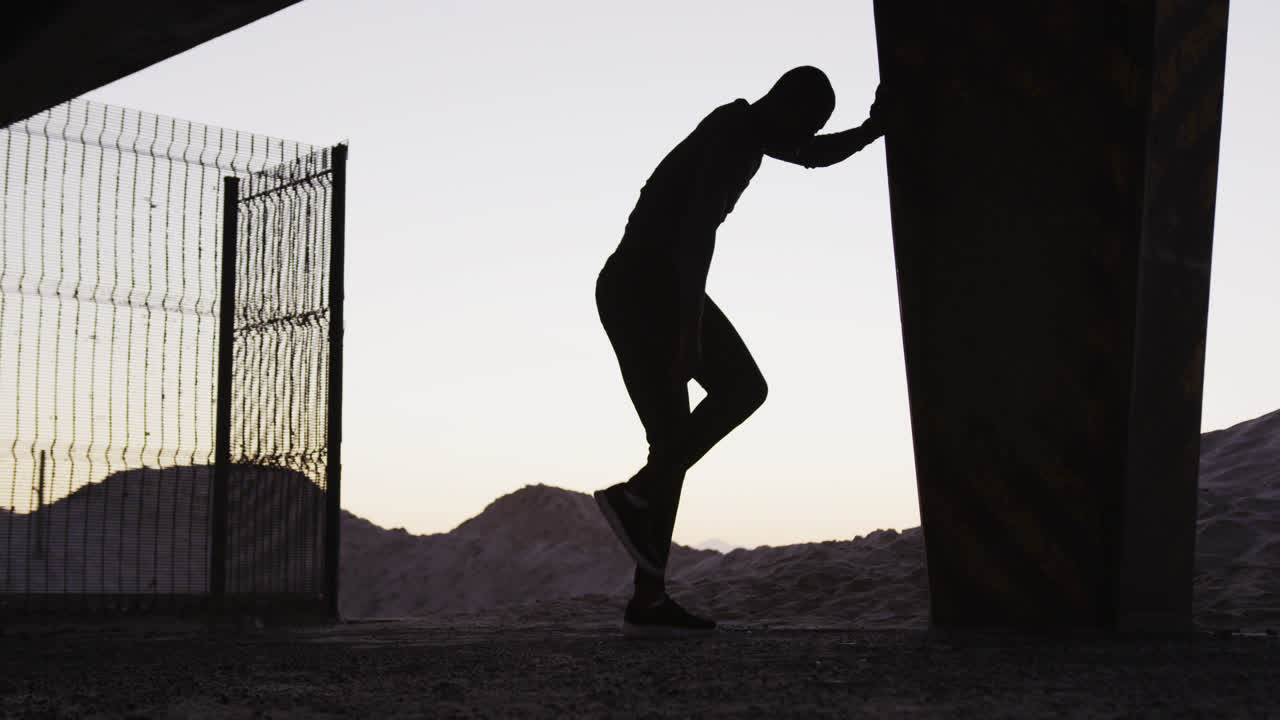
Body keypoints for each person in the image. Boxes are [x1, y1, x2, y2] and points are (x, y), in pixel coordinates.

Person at [594, 66, 888, 637]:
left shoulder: (748, 130)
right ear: (784, 101)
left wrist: (875, 129)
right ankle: (636, 497)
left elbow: (814, 157)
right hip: (646, 287)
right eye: (807, 121)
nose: (806, 136)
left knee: (672, 444)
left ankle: (648, 597)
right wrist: (689, 333)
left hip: (641, 285)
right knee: (743, 389)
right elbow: (695, 233)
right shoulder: (733, 136)